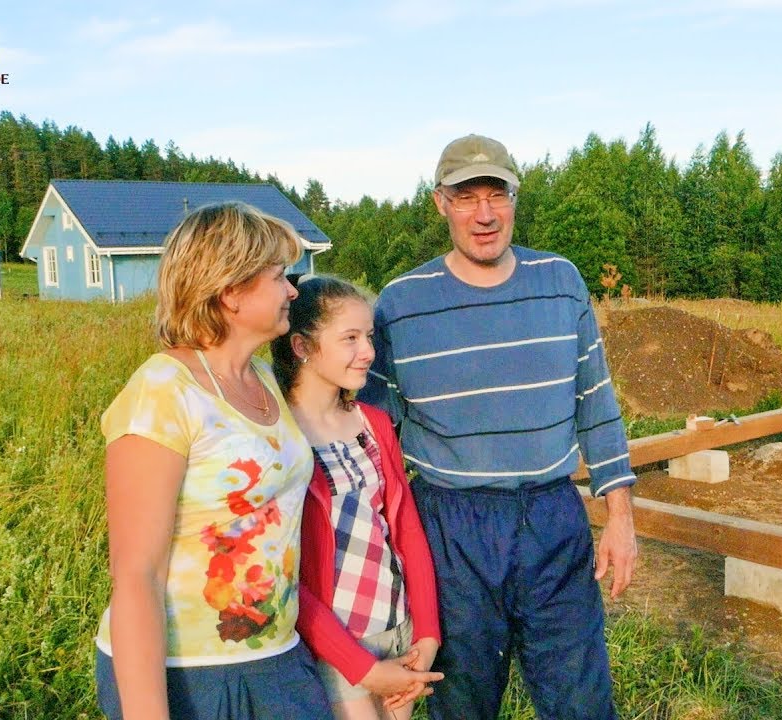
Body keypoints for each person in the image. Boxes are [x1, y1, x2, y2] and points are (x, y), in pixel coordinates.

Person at [359, 134, 638, 719]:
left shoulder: (561, 283)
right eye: (466, 197)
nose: (484, 214)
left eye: (497, 194)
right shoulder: (400, 305)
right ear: (440, 203)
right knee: (462, 701)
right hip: (451, 529)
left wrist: (620, 518)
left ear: (515, 197)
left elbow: (597, 402)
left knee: (580, 701)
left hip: (552, 519)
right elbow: (370, 430)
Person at [95, 202, 332, 719]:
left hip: (277, 657)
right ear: (230, 292)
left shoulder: (264, 378)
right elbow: (137, 573)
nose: (293, 290)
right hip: (188, 675)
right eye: (278, 277)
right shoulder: (162, 390)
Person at [270, 275, 444, 719]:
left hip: (396, 626)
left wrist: (427, 632)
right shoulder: (279, 437)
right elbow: (284, 575)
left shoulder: (373, 423)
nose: (367, 351)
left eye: (368, 336)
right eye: (350, 338)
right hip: (336, 641)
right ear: (302, 347)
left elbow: (404, 529)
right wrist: (357, 664)